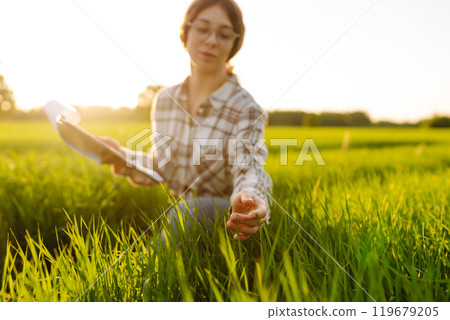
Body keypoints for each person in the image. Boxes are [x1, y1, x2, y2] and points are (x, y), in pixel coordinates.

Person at [101, 0, 272, 241]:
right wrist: (122, 156)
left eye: (224, 34)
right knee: (185, 211)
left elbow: (249, 166)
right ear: (186, 32)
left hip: (229, 213)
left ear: (234, 43)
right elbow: (166, 166)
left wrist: (249, 196)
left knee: (189, 211)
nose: (212, 40)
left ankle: (142, 277)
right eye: (203, 29)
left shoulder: (246, 108)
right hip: (185, 213)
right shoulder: (165, 101)